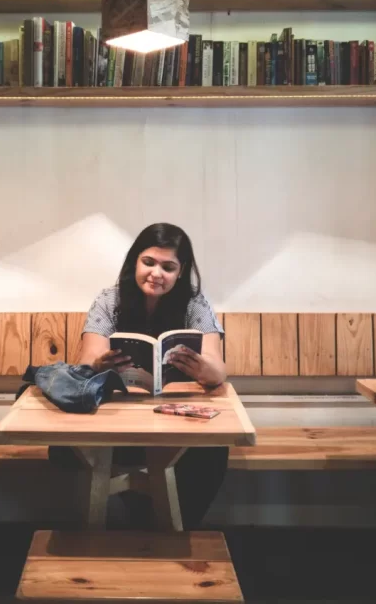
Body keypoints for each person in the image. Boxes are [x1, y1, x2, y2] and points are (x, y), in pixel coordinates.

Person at [73, 222, 229, 529]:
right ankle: (147, 526)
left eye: (168, 267)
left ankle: (169, 530)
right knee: (75, 447)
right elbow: (87, 361)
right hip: (118, 413)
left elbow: (218, 370)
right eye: (149, 262)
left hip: (174, 415)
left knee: (213, 449)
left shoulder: (194, 303)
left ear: (181, 272)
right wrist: (101, 363)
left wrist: (202, 367)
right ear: (135, 262)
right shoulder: (109, 300)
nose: (157, 274)